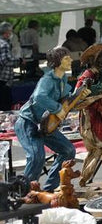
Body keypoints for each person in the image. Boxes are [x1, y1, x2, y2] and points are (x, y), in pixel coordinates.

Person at [13, 47, 77, 191]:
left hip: (45, 123)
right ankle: (25, 191)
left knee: (68, 151)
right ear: (58, 61)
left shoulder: (63, 78)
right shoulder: (47, 79)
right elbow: (39, 97)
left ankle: (49, 189)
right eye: (67, 58)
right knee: (37, 156)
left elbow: (64, 97)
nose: (71, 60)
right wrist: (58, 108)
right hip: (28, 122)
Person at [75, 44, 102, 186]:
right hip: (91, 119)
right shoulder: (88, 76)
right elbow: (77, 99)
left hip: (100, 118)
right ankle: (88, 178)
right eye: (101, 57)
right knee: (101, 146)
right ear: (93, 59)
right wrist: (97, 103)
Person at [0, 22, 14, 111]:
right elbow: (5, 61)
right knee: (5, 105)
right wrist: (19, 61)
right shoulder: (4, 44)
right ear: (7, 32)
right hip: (3, 79)